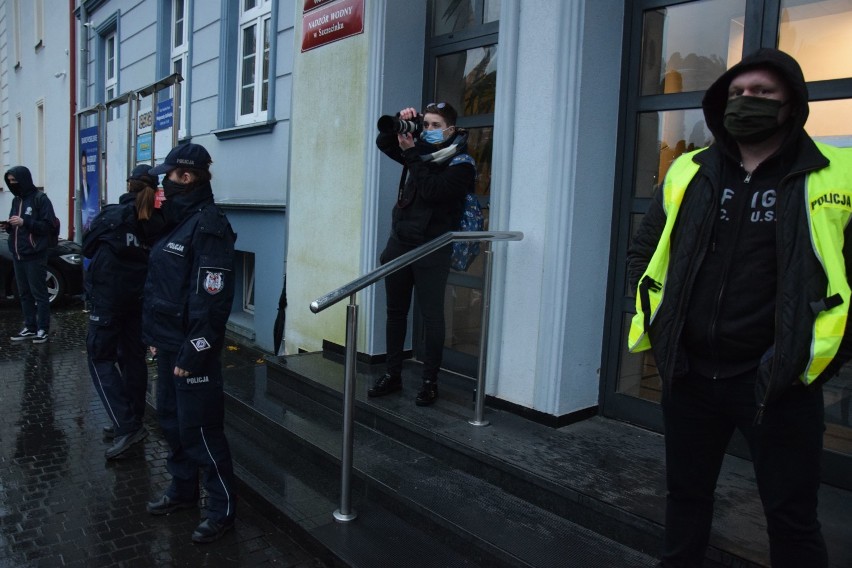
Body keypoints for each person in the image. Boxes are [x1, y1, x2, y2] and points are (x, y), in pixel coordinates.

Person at [626, 48, 852, 567]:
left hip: (780, 382)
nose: (746, 101)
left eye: (762, 93)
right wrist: (662, 332)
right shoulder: (688, 170)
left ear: (790, 103)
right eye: (737, 93)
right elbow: (645, 251)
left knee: (792, 519)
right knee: (685, 500)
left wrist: (815, 363)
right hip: (688, 374)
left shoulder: (835, 173)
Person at [142, 143, 238, 544]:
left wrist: (195, 350)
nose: (163, 181)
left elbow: (212, 299)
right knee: (172, 423)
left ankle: (222, 509)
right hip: (168, 345)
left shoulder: (209, 224)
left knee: (200, 430)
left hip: (190, 352)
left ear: (186, 177)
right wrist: (155, 339)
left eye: (170, 175)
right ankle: (182, 492)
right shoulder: (177, 222)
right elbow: (167, 288)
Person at [369, 102, 475, 406]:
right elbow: (383, 141)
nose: (427, 130)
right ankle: (392, 374)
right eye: (424, 124)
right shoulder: (420, 153)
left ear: (451, 129)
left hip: (432, 248)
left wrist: (413, 153)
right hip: (402, 243)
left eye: (434, 125)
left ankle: (430, 382)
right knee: (395, 313)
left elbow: (432, 190)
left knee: (431, 318)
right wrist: (404, 122)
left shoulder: (461, 164)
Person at [83, 165, 166, 460]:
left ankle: (127, 425)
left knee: (99, 357)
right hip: (139, 298)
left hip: (109, 299)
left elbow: (87, 247)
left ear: (129, 185)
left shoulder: (112, 215)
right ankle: (131, 419)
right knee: (132, 358)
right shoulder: (157, 221)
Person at [4, 166, 56, 344]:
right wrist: (9, 226)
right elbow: (15, 223)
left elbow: (47, 226)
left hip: (35, 254)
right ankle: (30, 326)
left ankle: (43, 328)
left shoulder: (40, 199)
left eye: (14, 181)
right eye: (9, 182)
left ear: (23, 180)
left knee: (39, 293)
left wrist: (25, 222)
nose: (12, 185)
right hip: (18, 253)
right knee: (23, 293)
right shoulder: (16, 200)